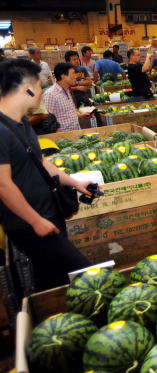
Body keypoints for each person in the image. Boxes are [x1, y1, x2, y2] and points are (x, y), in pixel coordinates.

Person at [0, 59, 97, 292]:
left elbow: (41, 162)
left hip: (48, 213)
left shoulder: (21, 122)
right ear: (27, 89)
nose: (42, 92)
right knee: (88, 277)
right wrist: (35, 221)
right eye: (40, 86)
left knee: (51, 281)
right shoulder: (1, 131)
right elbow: (3, 185)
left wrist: (75, 183)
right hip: (30, 223)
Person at [43, 63, 91, 132]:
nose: (75, 77)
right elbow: (47, 120)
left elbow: (65, 111)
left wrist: (79, 115)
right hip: (63, 138)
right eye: (73, 74)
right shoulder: (50, 94)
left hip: (75, 133)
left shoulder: (67, 90)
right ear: (64, 77)